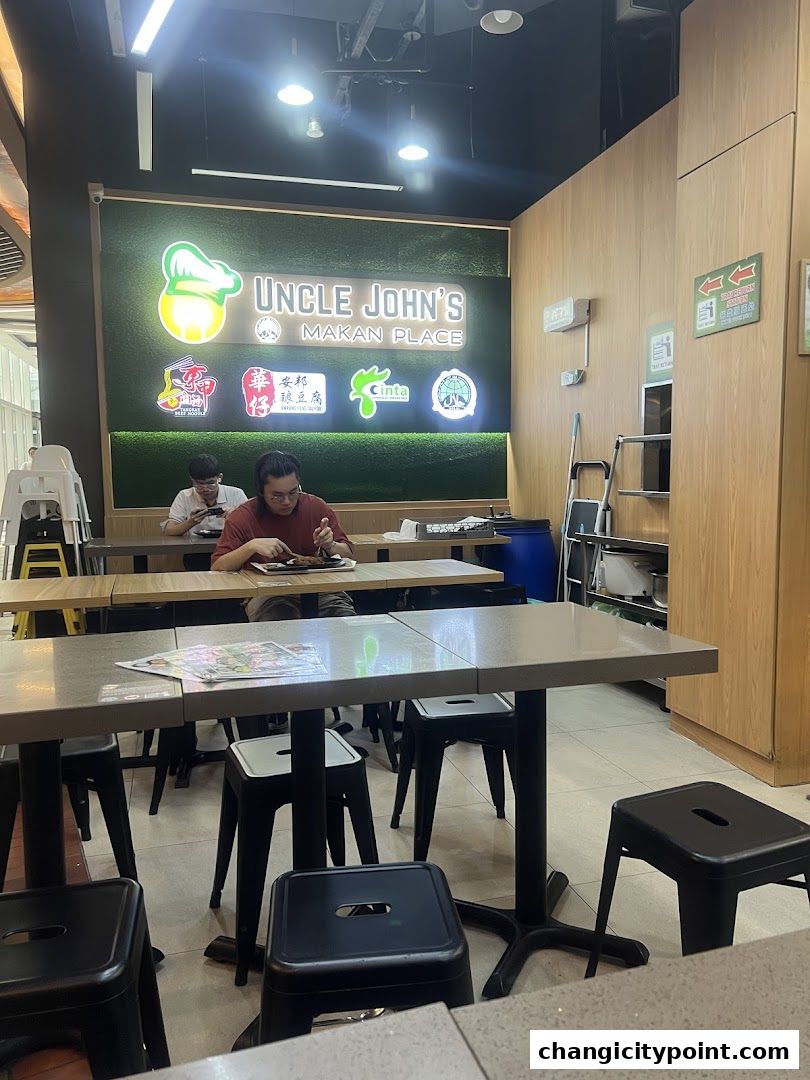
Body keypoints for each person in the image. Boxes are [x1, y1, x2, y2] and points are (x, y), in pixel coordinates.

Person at [211, 449, 355, 621]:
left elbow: (348, 555)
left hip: (321, 589)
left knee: (345, 620)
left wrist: (330, 545)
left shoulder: (316, 507)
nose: (287, 501)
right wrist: (250, 546)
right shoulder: (243, 516)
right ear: (261, 491)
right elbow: (217, 567)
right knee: (280, 623)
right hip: (268, 593)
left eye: (293, 492)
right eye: (277, 496)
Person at [165, 453, 247, 537]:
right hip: (194, 544)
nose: (205, 489)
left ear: (220, 477)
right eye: (199, 484)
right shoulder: (184, 496)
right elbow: (169, 531)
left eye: (210, 483)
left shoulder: (236, 494)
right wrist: (191, 522)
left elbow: (252, 527)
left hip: (231, 542)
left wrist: (236, 518)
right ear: (192, 479)